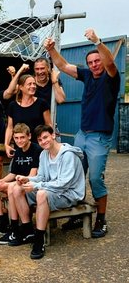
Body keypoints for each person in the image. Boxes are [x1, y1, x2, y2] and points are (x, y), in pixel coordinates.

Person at [44, 28, 120, 238]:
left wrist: (97, 41)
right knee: (74, 175)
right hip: (81, 135)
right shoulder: (86, 75)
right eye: (91, 62)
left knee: (95, 179)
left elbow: (111, 64)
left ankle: (101, 220)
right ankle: (77, 214)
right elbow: (61, 65)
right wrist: (51, 50)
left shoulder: (111, 78)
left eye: (97, 61)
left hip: (99, 137)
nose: (95, 65)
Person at [13, 125, 85, 259]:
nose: (43, 141)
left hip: (69, 193)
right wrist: (27, 179)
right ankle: (28, 231)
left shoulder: (67, 155)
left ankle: (39, 241)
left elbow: (64, 183)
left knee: (41, 194)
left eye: (45, 137)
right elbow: (42, 177)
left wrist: (36, 186)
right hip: (53, 190)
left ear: (53, 135)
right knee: (17, 189)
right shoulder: (44, 154)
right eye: (40, 140)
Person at [0, 123, 42, 245]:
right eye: (16, 138)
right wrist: (1, 181)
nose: (19, 141)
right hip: (18, 182)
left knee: (12, 187)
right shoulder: (18, 151)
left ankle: (14, 228)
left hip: (30, 185)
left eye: (22, 137)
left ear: (29, 136)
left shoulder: (36, 150)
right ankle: (1, 223)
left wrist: (11, 183)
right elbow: (13, 173)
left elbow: (32, 176)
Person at [4, 67, 52, 158]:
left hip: (39, 148)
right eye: (29, 84)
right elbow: (10, 128)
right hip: (21, 148)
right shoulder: (13, 106)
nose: (33, 86)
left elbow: (48, 125)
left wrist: (50, 143)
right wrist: (6, 144)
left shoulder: (42, 103)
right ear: (21, 87)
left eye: (34, 84)